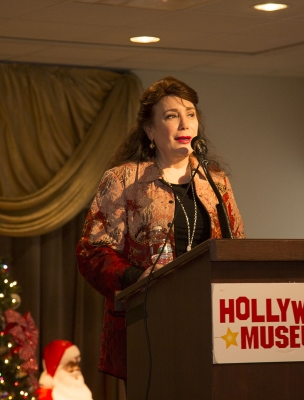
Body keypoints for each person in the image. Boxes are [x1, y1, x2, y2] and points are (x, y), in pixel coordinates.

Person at [75, 76, 245, 380]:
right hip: (149, 323)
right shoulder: (124, 180)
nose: (184, 124)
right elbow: (92, 252)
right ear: (150, 131)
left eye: (190, 115)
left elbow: (239, 248)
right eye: (171, 116)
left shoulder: (215, 180)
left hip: (212, 324)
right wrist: (134, 278)